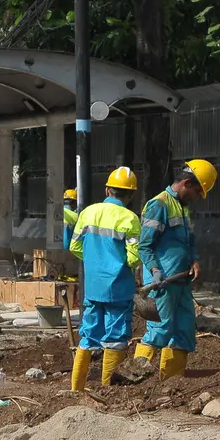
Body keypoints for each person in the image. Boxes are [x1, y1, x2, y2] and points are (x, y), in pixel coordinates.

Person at [134, 159, 218, 379]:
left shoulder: (182, 208)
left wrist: (194, 260)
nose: (198, 197)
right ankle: (133, 378)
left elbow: (188, 240)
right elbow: (144, 246)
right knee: (159, 331)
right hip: (162, 283)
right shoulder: (159, 205)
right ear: (187, 183)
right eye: (198, 192)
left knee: (184, 332)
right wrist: (154, 271)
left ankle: (171, 383)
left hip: (180, 282)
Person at [68, 167, 142, 391]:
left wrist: (94, 261)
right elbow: (134, 256)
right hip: (118, 287)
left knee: (88, 336)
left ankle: (75, 390)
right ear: (131, 195)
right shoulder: (130, 218)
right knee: (116, 337)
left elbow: (74, 246)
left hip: (92, 286)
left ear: (108, 189)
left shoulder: (88, 213)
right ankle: (108, 389)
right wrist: (117, 265)